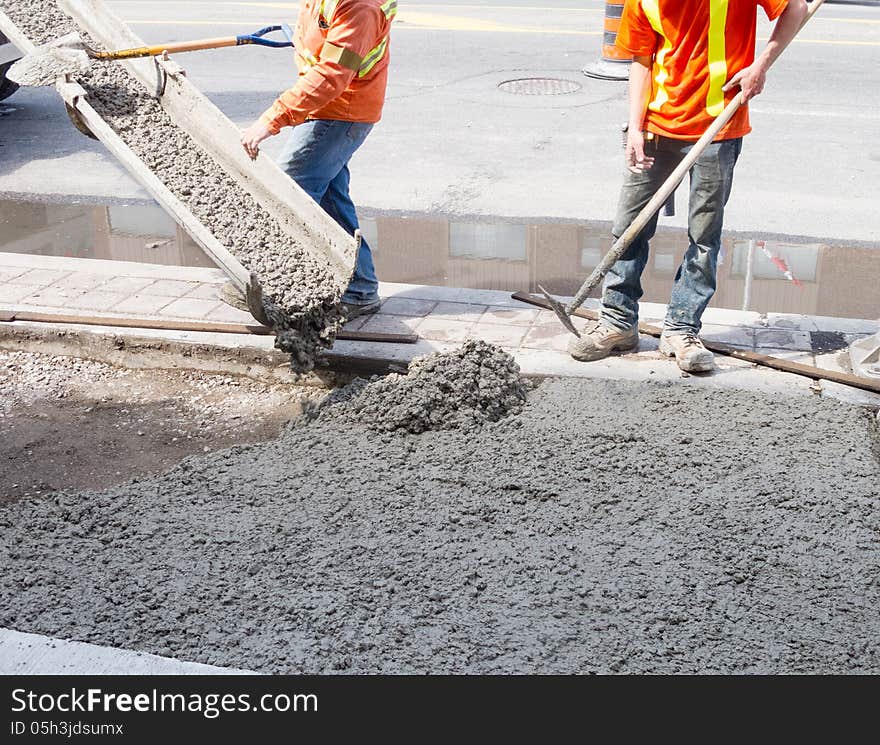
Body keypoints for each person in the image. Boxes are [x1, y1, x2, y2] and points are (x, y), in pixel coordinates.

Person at [569, 0, 808, 371]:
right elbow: (642, 61)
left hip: (719, 126)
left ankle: (681, 329)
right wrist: (634, 126)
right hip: (656, 126)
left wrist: (760, 66)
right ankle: (617, 323)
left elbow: (796, 7)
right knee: (628, 230)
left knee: (703, 235)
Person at [236, 0, 397, 319]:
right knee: (330, 200)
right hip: (328, 107)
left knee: (289, 194)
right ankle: (361, 287)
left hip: (340, 112)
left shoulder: (360, 7)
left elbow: (332, 75)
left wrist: (272, 120)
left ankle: (279, 287)